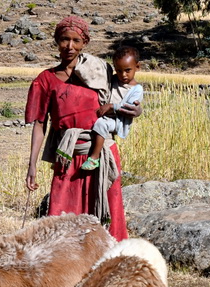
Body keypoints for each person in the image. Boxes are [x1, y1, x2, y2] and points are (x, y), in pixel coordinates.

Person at [24, 16, 139, 241]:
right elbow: (40, 124)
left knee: (107, 222)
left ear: (84, 42)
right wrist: (32, 165)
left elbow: (128, 95)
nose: (70, 46)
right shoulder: (45, 80)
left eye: (76, 40)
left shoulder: (101, 71)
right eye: (64, 39)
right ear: (57, 41)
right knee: (61, 225)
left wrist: (137, 110)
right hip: (68, 156)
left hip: (102, 154)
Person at [81, 46, 143, 171]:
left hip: (118, 120)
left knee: (101, 124)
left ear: (137, 67)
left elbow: (129, 107)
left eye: (127, 70)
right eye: (119, 71)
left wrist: (111, 106)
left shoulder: (137, 89)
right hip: (108, 115)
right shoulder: (114, 80)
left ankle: (94, 157)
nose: (123, 75)